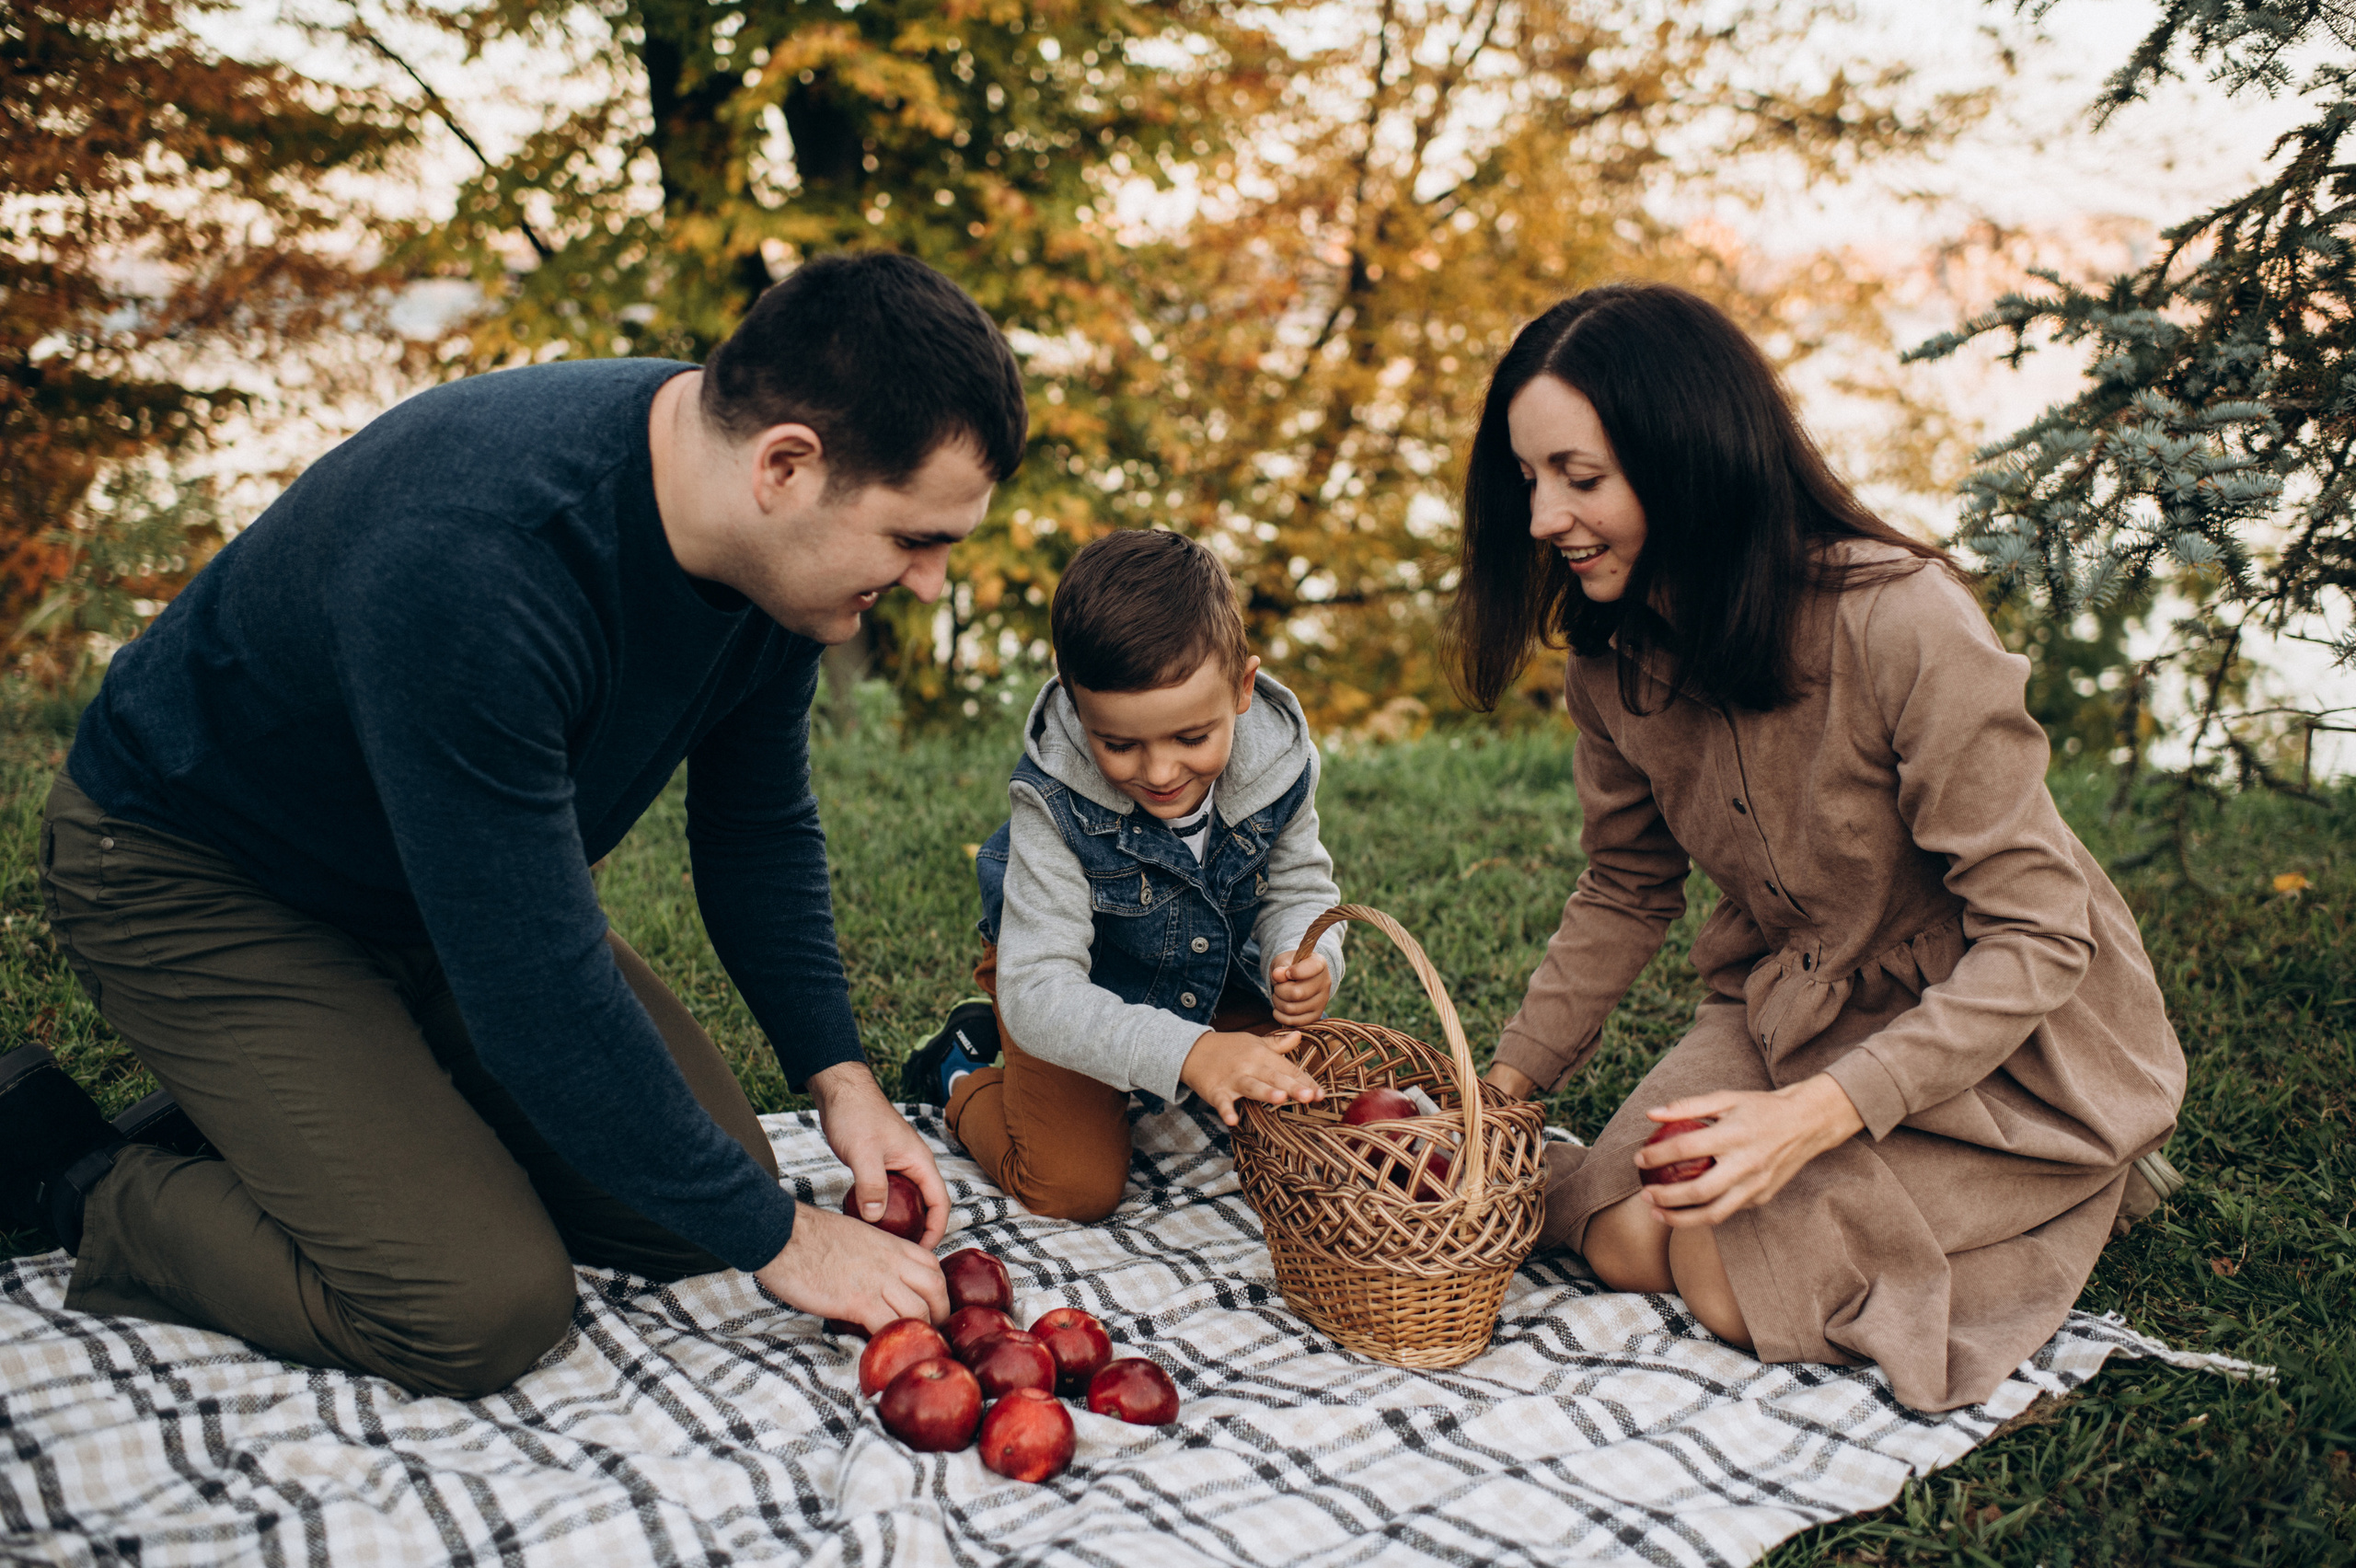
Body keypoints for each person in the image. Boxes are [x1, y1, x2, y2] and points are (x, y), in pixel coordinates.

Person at [0, 252, 1025, 1398]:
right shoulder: (479, 560)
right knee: (478, 1307)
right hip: (198, 876)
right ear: (785, 465)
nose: (930, 582)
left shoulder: (768, 547)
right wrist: (788, 1240)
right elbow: (535, 987)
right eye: (914, 539)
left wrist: (839, 1075)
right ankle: (73, 1170)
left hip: (437, 893)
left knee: (695, 1203)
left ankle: (314, 1097)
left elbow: (756, 824)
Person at [1452, 282, 2188, 1412]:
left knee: (1723, 1270)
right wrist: (1499, 1094)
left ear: (1689, 461)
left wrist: (1812, 1117)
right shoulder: (1611, 664)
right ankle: (1893, 1179)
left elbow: (2040, 936)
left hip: (2000, 1034)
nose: (1544, 517)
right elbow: (1625, 887)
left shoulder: (1903, 619)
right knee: (1621, 1235)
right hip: (1796, 1005)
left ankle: (2076, 1174)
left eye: (1580, 478)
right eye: (1527, 478)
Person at [899, 529, 1348, 1221]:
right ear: (1076, 704)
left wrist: (1304, 955)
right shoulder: (1053, 800)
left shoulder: (1279, 764)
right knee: (1071, 1188)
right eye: (1118, 744)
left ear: (1242, 687)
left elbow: (1300, 889)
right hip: (1072, 987)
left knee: (1320, 1121)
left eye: (1191, 738)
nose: (1161, 772)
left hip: (1212, 973)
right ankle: (960, 1069)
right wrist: (1190, 1052)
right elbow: (1041, 989)